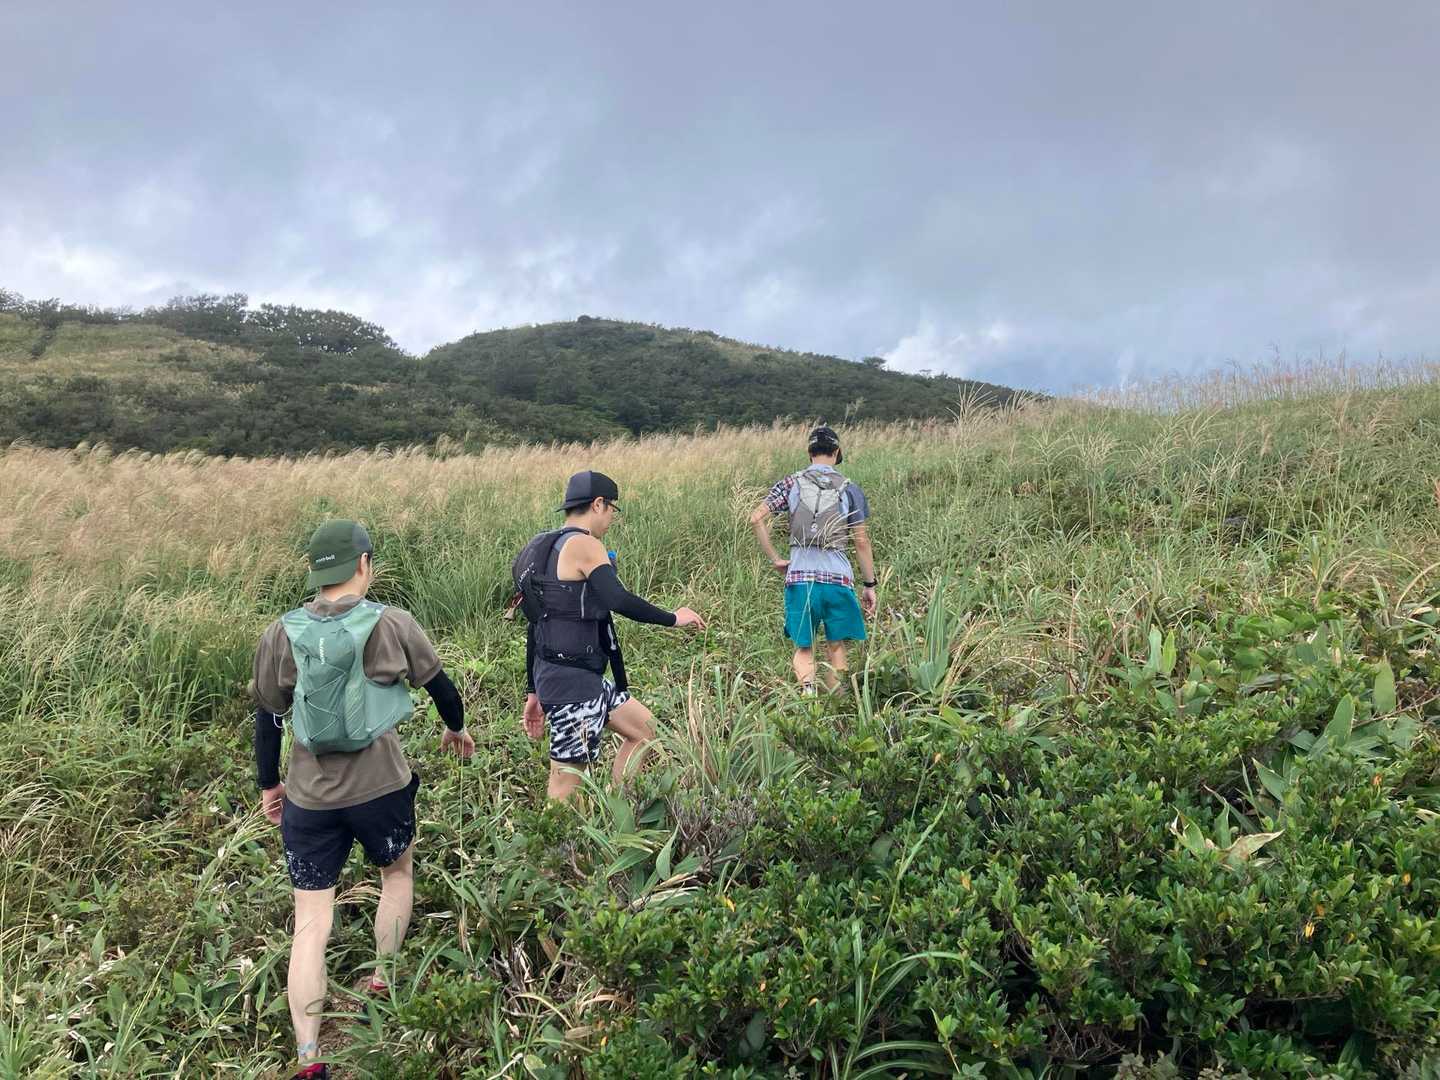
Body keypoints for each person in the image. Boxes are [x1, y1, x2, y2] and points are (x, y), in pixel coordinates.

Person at [251, 520, 474, 1080]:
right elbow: (442, 688)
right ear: (364, 564)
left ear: (315, 572)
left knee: (310, 922)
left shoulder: (281, 633)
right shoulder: (392, 622)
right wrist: (456, 728)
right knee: (396, 875)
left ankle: (308, 1058)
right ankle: (381, 979)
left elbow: (268, 718)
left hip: (309, 797)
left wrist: (270, 784)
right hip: (382, 789)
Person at [515, 470, 706, 801]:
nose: (612, 519)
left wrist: (533, 690)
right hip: (573, 687)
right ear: (598, 504)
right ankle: (557, 835)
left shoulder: (540, 547)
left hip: (567, 676)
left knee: (646, 730)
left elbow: (536, 623)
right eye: (612, 510)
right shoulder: (586, 544)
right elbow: (618, 599)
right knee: (565, 790)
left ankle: (619, 807)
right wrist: (675, 618)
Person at [749, 425, 877, 694]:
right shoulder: (851, 489)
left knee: (804, 647)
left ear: (809, 452)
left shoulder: (790, 483)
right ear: (837, 452)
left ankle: (808, 698)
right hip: (838, 581)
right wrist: (869, 585)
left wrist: (775, 558)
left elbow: (756, 518)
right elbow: (861, 542)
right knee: (836, 646)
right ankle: (835, 701)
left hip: (800, 579)